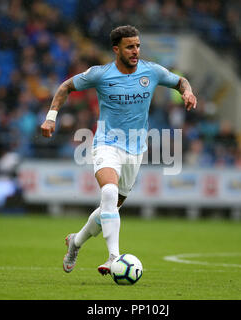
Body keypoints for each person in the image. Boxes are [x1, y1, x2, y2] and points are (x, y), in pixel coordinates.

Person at [40, 25, 197, 275]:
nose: (135, 51)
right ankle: (114, 257)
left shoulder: (151, 71)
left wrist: (187, 92)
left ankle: (76, 242)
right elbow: (65, 87)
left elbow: (180, 81)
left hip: (135, 150)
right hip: (106, 144)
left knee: (109, 208)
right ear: (116, 49)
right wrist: (51, 117)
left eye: (137, 46)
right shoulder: (100, 74)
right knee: (110, 192)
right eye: (129, 47)